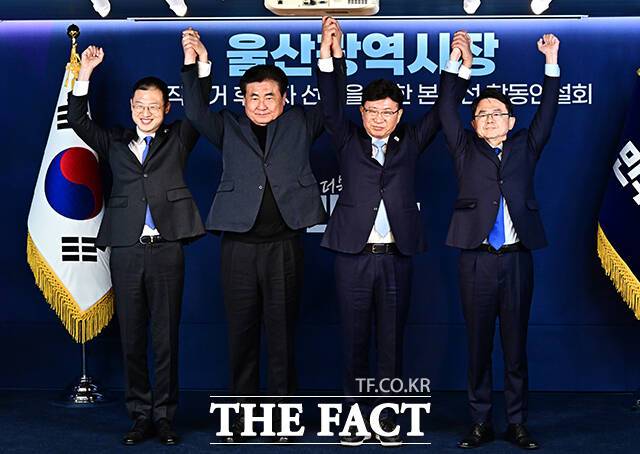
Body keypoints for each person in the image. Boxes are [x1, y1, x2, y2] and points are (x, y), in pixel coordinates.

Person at [316, 19, 471, 446]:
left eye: (388, 112)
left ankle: (386, 420)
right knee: (353, 342)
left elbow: (443, 110)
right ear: (362, 112)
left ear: (399, 115)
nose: (379, 119)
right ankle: (353, 420)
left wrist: (457, 65)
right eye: (372, 111)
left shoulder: (411, 141)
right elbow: (329, 106)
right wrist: (330, 55)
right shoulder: (346, 139)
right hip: (353, 256)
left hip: (397, 257)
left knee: (391, 343)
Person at [180, 29, 335, 443]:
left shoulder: (302, 122)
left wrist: (327, 58)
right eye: (253, 97)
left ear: (284, 98)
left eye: (269, 96)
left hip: (284, 245)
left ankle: (283, 416)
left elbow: (333, 104)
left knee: (282, 333)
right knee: (242, 332)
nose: (261, 104)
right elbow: (194, 110)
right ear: (243, 100)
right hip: (238, 247)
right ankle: (243, 415)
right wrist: (198, 63)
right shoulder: (227, 126)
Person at [67, 44, 210, 446]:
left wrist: (196, 64)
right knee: (131, 336)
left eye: (154, 107)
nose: (146, 113)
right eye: (140, 106)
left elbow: (199, 110)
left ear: (166, 109)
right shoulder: (114, 140)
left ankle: (164, 417)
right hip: (126, 248)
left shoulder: (179, 137)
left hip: (167, 248)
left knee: (166, 336)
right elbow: (77, 119)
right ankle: (139, 414)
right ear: (131, 106)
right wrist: (85, 72)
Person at [439, 33, 560, 450]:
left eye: (497, 113)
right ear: (473, 124)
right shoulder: (463, 148)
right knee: (477, 345)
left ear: (511, 122)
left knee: (514, 346)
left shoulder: (527, 145)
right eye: (482, 114)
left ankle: (517, 423)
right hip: (475, 259)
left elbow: (547, 111)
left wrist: (551, 61)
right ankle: (479, 422)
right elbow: (445, 107)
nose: (489, 118)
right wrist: (459, 63)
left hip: (516, 259)